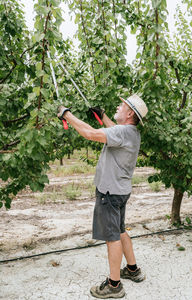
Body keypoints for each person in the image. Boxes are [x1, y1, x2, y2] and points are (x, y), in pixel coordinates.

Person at [58, 94, 148, 299]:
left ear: (129, 113)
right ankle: (133, 270)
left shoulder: (123, 131)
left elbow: (90, 133)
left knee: (112, 237)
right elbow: (115, 131)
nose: (118, 105)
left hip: (110, 193)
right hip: (121, 191)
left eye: (122, 105)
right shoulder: (131, 132)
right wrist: (103, 116)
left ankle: (114, 285)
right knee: (120, 230)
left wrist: (67, 114)